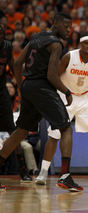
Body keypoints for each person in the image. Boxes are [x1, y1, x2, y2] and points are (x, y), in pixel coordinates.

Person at [0, 12, 79, 191]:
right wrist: (66, 91)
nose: (68, 30)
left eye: (70, 27)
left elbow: (18, 63)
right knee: (66, 128)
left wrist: (22, 87)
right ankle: (65, 176)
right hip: (43, 88)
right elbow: (52, 76)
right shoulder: (56, 44)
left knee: (20, 132)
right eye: (65, 26)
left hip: (28, 86)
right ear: (55, 23)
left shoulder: (36, 37)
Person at [35, 32, 88, 187]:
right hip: (65, 95)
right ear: (80, 44)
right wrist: (54, 98)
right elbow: (55, 76)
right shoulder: (69, 57)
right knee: (54, 135)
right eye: (85, 43)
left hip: (86, 98)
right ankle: (43, 172)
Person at [0, 25, 33, 189]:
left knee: (13, 131)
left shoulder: (6, 46)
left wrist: (20, 85)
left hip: (1, 93)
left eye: (2, 33)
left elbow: (13, 65)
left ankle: (23, 169)